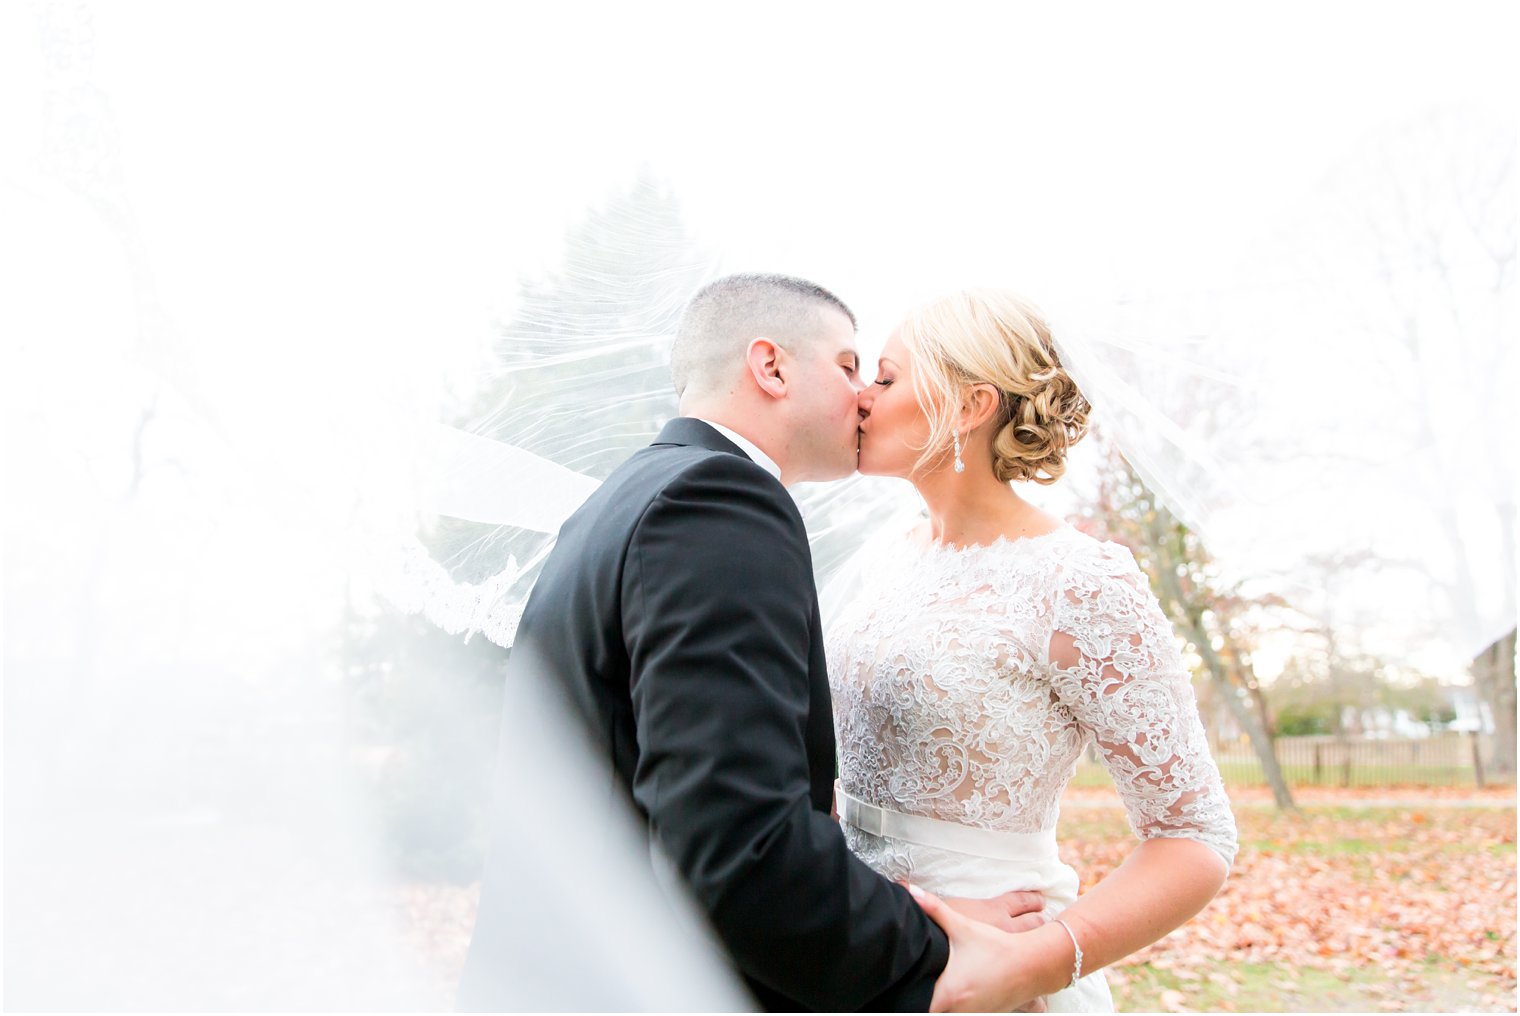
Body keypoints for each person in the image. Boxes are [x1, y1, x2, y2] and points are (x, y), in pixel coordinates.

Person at [456, 274, 1049, 1012]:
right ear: (770, 367)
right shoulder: (720, 503)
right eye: (847, 365)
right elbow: (737, 843)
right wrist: (935, 950)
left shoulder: (629, 496)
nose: (863, 394)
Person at [828, 288, 1239, 1011]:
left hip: (991, 968)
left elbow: (1193, 834)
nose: (861, 397)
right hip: (857, 944)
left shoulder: (1079, 581)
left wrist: (1038, 966)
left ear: (969, 406)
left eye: (886, 378)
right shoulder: (883, 560)